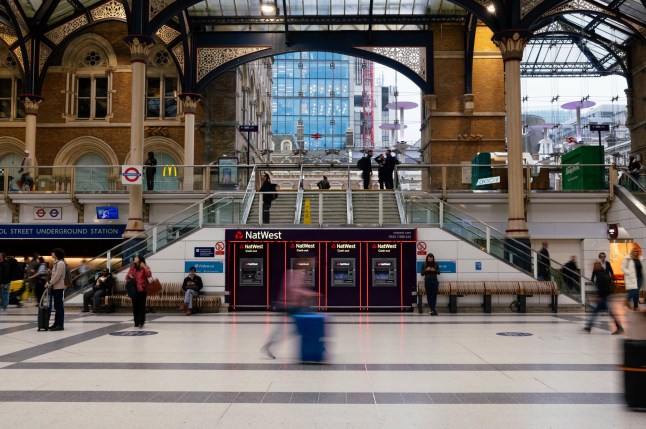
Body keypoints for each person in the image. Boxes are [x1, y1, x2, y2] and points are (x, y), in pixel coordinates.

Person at [261, 268, 317, 359]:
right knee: (293, 329)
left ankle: (312, 348)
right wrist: (308, 294)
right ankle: (268, 347)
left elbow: (299, 289)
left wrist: (308, 294)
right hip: (289, 306)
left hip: (295, 307)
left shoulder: (299, 274)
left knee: (296, 329)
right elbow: (294, 289)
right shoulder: (292, 273)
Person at [584, 261, 624, 335]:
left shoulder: (600, 276)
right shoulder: (604, 274)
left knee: (599, 312)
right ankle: (588, 327)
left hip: (603, 297)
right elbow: (609, 285)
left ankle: (619, 328)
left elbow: (602, 287)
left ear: (598, 266)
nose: (593, 267)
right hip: (606, 296)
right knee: (597, 312)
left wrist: (599, 296)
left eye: (595, 266)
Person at [126, 254, 152, 328]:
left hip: (142, 289)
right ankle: (136, 322)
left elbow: (149, 275)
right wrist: (129, 276)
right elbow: (126, 277)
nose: (135, 258)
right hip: (134, 290)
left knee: (141, 306)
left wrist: (144, 267)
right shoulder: (132, 267)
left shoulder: (145, 267)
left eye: (136, 257)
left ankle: (141, 322)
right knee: (135, 306)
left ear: (140, 259)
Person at [45, 248, 66, 331]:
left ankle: (60, 325)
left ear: (56, 254)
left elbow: (57, 276)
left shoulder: (60, 263)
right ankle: (56, 324)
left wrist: (49, 283)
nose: (51, 253)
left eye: (53, 252)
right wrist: (51, 272)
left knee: (59, 307)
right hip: (55, 287)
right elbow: (56, 274)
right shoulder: (56, 263)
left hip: (58, 287)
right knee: (57, 306)